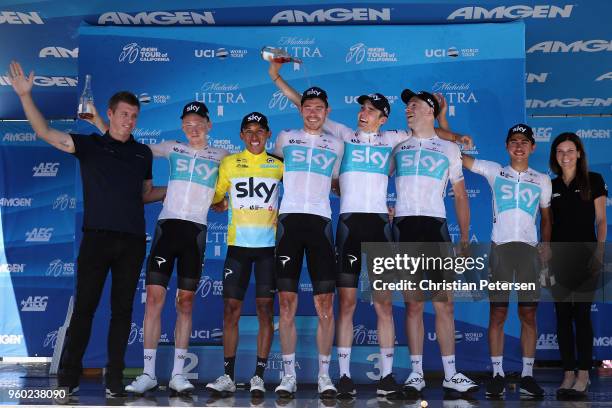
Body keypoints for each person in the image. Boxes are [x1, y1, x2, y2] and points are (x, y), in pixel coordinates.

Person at [269, 62, 472, 399]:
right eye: (362, 108)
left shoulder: (395, 139)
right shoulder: (343, 136)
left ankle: (388, 376)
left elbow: (429, 131)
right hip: (349, 225)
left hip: (380, 225)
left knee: (383, 303)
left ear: (383, 119)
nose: (364, 113)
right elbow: (305, 105)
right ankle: (344, 374)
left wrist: (452, 131)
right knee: (346, 303)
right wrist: (277, 78)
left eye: (372, 110)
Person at [7, 61, 165, 397]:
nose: (130, 121)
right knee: (85, 310)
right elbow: (45, 133)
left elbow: (146, 195)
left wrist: (184, 189)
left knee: (123, 313)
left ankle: (114, 380)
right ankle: (68, 378)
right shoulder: (90, 145)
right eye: (124, 114)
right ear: (110, 114)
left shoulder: (142, 153)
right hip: (96, 240)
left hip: (133, 241)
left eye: (134, 116)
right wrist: (24, 96)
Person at [393, 89, 478, 395]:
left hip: (436, 227)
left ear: (429, 110)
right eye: (406, 106)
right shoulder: (397, 145)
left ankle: (450, 374)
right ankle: (415, 373)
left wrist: (465, 237)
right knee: (413, 304)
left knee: (445, 304)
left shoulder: (450, 150)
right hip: (404, 226)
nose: (407, 109)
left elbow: (460, 195)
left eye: (413, 105)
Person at [462, 124, 552, 398]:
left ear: (533, 147)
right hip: (500, 251)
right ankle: (498, 374)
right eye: (514, 141)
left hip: (528, 253)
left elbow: (547, 217)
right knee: (498, 314)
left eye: (525, 141)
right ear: (506, 146)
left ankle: (527, 375)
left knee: (528, 314)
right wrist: (444, 123)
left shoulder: (542, 180)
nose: (519, 146)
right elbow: (459, 158)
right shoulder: (493, 170)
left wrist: (546, 245)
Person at [272, 85, 344, 398]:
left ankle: (324, 376)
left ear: (326, 113)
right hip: (289, 223)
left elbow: (340, 184)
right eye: (307, 107)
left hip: (321, 224)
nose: (312, 112)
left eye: (318, 107)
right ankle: (288, 376)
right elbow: (269, 177)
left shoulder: (337, 144)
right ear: (300, 110)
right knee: (286, 303)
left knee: (324, 304)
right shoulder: (284, 138)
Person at [205, 112, 283, 397]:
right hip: (238, 248)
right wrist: (221, 201)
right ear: (240, 135)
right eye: (248, 131)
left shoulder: (278, 165)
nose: (254, 136)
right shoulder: (228, 163)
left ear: (268, 134)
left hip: (267, 248)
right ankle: (227, 375)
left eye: (260, 131)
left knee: (265, 311)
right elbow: (215, 195)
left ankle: (259, 376)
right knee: (231, 311)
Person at [548, 132, 607, 399]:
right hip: (558, 259)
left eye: (570, 150)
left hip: (585, 257)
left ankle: (584, 374)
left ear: (579, 153)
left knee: (581, 315)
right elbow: (547, 224)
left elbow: (602, 221)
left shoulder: (593, 181)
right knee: (562, 317)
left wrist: (599, 252)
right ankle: (568, 373)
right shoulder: (550, 185)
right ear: (555, 156)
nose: (565, 155)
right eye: (560, 151)